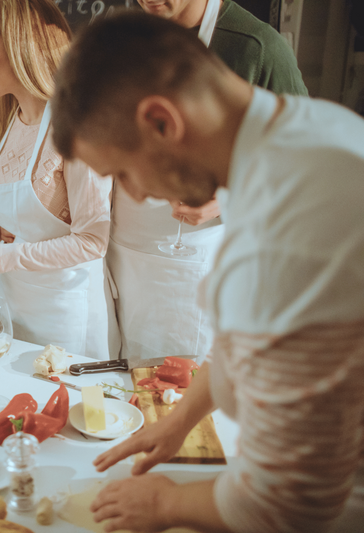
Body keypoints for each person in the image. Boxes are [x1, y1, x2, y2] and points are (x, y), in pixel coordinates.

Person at [52, 12, 363, 532]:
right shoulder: (308, 134)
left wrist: (163, 504)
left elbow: (288, 503)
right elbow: (246, 342)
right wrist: (177, 421)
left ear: (161, 121)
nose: (133, 195)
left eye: (122, 172)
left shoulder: (293, 222)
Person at [106, 0, 308, 361]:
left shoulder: (256, 47)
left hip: (198, 265)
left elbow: (304, 166)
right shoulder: (127, 38)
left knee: (180, 392)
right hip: (123, 259)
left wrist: (228, 198)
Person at [0, 0, 114, 358]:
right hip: (14, 304)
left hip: (67, 314)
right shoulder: (6, 121)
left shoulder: (76, 127)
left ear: (19, 49)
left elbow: (92, 241)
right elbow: (6, 208)